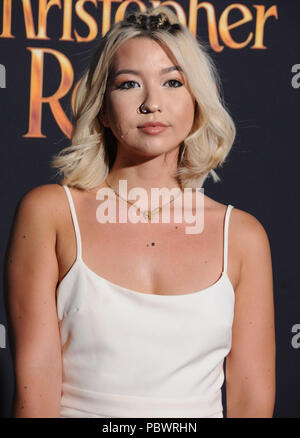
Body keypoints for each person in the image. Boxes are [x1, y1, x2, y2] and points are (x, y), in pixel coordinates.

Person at [5, 6, 275, 418]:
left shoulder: (241, 235)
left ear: (197, 102)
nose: (152, 103)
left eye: (172, 82)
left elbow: (251, 400)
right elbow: (36, 387)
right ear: (103, 107)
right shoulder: (51, 213)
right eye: (129, 84)